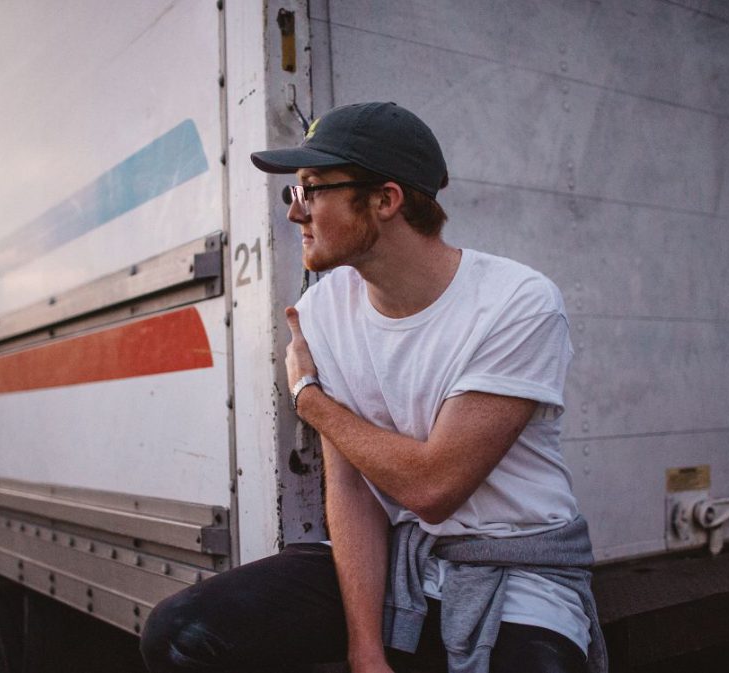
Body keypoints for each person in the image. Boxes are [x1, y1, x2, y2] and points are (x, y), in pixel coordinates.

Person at [140, 101, 605, 673]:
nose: (295, 214)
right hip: (394, 562)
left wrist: (309, 399)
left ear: (386, 200)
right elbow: (354, 492)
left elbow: (435, 487)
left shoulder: (516, 303)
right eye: (295, 193)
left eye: (311, 190)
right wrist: (366, 653)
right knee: (180, 635)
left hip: (513, 567)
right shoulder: (323, 311)